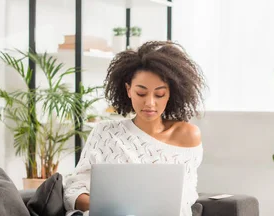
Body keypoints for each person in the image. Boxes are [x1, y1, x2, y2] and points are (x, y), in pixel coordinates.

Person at [63, 41, 206, 216]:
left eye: (160, 94)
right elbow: (73, 190)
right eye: (141, 93)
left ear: (171, 93)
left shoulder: (187, 135)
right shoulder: (105, 133)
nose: (150, 103)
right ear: (128, 90)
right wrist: (110, 207)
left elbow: (186, 197)